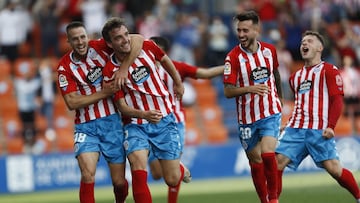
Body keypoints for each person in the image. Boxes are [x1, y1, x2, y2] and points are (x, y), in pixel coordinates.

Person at [101, 17, 186, 203]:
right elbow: (122, 107)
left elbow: (165, 60)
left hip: (164, 119)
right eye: (118, 38)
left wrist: (178, 83)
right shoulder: (109, 71)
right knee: (137, 166)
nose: (125, 40)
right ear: (109, 43)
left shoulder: (146, 47)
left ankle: (178, 167)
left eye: (126, 34)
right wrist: (143, 114)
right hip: (136, 125)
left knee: (172, 180)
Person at [56, 21, 143, 203]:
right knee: (87, 174)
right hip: (85, 127)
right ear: (68, 42)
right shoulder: (64, 67)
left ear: (87, 36)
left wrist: (124, 69)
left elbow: (138, 39)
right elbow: (72, 102)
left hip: (112, 123)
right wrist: (104, 92)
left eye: (82, 37)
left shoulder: (100, 46)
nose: (80, 42)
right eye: (75, 39)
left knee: (119, 183)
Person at [275, 30, 360, 203]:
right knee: (277, 163)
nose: (304, 44)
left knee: (335, 170)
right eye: (302, 42)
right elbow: (301, 103)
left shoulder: (329, 70)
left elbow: (337, 100)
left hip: (318, 130)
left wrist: (331, 126)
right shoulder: (294, 77)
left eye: (310, 41)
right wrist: (289, 122)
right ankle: (272, 201)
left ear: (320, 47)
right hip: (296, 129)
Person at [149, 36, 224, 203]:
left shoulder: (176, 67)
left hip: (174, 123)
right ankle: (180, 167)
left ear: (163, 52)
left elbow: (204, 73)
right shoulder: (140, 69)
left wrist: (228, 67)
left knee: (172, 175)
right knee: (156, 174)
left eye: (155, 49)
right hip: (150, 124)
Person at [223, 11, 282, 203]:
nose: (241, 34)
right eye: (239, 30)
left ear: (256, 30)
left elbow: (276, 74)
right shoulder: (232, 58)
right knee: (255, 162)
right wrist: (249, 88)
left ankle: (273, 199)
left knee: (267, 153)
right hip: (247, 119)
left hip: (270, 112)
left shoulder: (269, 50)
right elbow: (228, 92)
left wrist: (279, 98)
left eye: (245, 30)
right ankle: (264, 200)